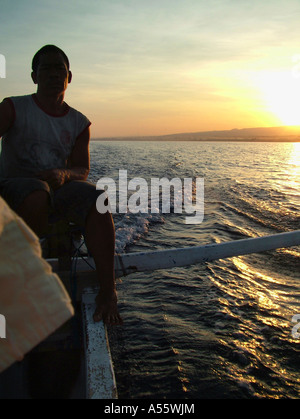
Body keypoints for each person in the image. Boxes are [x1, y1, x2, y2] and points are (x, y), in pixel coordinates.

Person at [0, 44, 122, 326]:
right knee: (36, 194)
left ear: (70, 76)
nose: (55, 73)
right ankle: (26, 277)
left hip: (59, 189)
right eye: (47, 68)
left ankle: (108, 291)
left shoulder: (79, 122)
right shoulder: (13, 108)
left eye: (60, 69)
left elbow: (82, 169)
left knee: (98, 199)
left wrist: (64, 175)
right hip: (14, 188)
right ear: (34, 76)